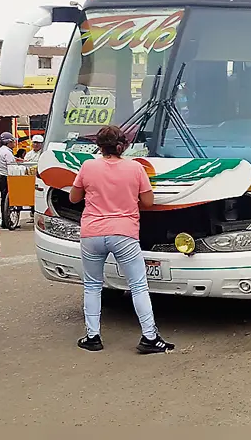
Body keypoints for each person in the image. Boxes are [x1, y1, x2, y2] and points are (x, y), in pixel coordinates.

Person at [68, 125, 174, 353]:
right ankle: (149, 337)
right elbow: (147, 202)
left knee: (93, 286)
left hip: (92, 233)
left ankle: (92, 337)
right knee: (138, 285)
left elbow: (74, 197)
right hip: (124, 233)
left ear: (98, 145)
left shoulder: (88, 166)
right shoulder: (135, 168)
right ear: (123, 145)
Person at [0, 132, 18, 230]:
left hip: (1, 176)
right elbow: (12, 166)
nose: (14, 143)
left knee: (3, 199)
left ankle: (5, 221)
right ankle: (6, 220)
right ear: (8, 142)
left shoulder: (1, 151)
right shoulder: (8, 153)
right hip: (6, 177)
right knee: (7, 199)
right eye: (13, 141)